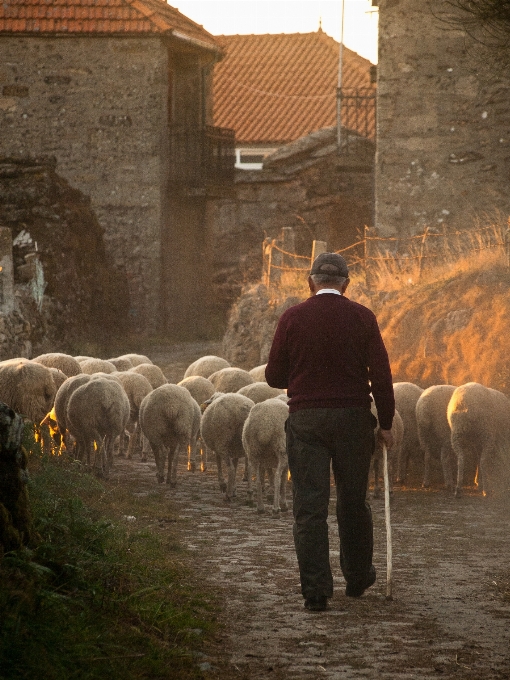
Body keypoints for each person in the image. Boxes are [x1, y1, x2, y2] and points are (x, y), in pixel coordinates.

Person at [265, 252, 395, 612]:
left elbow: (274, 377)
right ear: (346, 284)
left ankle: (316, 591)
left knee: (310, 506)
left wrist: (305, 377)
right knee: (353, 501)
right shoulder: (362, 317)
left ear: (310, 283)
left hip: (307, 420)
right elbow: (382, 377)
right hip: (353, 420)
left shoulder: (292, 317)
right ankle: (356, 578)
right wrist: (385, 423)